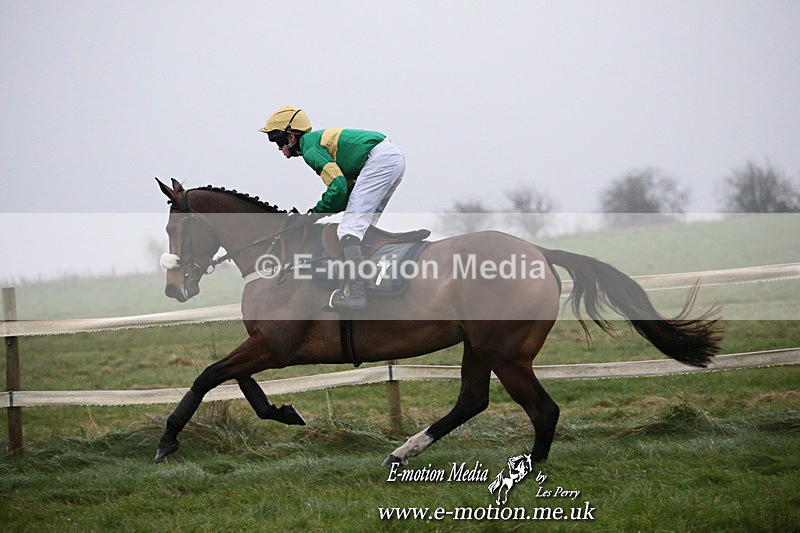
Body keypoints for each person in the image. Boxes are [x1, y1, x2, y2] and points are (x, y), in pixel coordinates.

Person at [260, 105, 406, 310]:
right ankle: (371, 283)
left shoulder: (311, 149)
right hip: (387, 159)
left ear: (292, 138)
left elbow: (337, 188)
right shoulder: (314, 143)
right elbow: (343, 194)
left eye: (277, 140)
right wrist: (316, 213)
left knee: (348, 229)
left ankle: (358, 294)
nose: (278, 147)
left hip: (379, 161)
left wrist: (312, 214)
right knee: (362, 228)